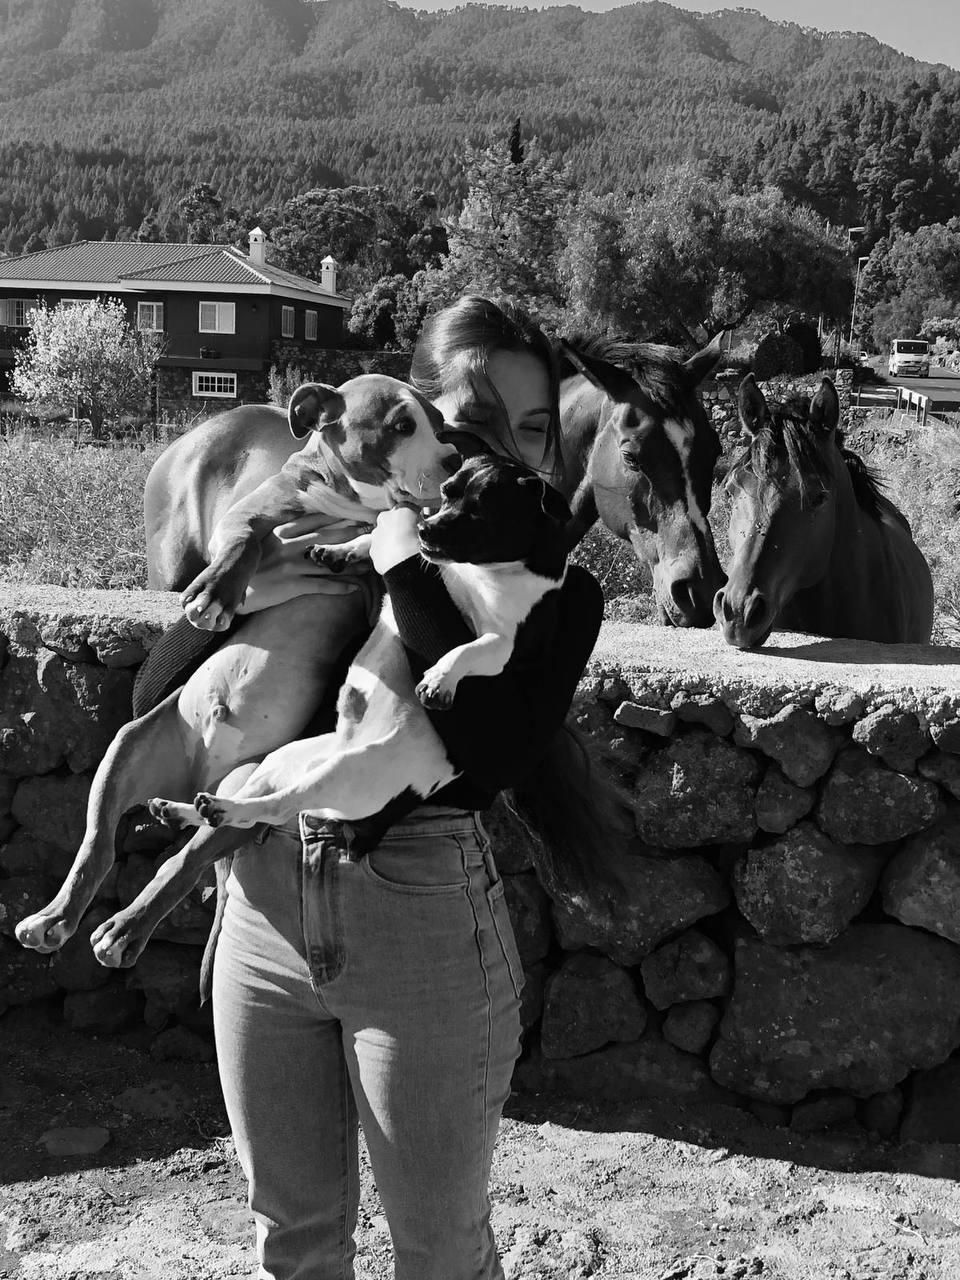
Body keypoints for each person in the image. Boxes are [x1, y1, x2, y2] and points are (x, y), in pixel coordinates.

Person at [141, 296, 606, 1280]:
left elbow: (488, 749)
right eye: (469, 425)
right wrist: (252, 557)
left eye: (531, 429)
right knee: (293, 1244)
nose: (500, 454)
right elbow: (158, 692)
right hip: (263, 909)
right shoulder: (310, 536)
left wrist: (398, 551)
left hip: (421, 917)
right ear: (415, 421)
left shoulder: (556, 590)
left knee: (438, 1254)